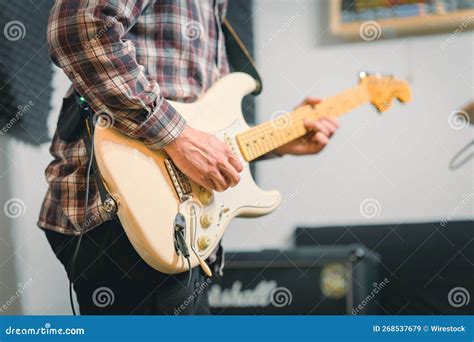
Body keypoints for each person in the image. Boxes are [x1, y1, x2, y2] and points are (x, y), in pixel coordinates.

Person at [39, 0, 340, 315]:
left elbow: (204, 135)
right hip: (124, 210)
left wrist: (279, 141)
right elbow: (79, 27)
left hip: (176, 223)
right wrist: (178, 136)